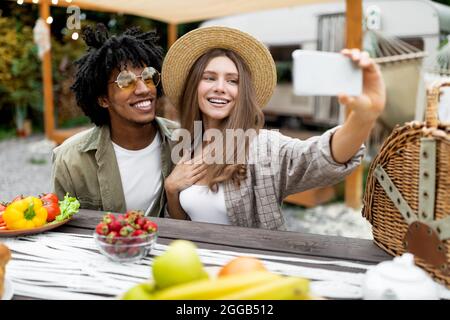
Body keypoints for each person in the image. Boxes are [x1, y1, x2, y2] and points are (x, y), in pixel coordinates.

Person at [161, 26, 386, 230]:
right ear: (195, 87)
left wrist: (363, 117)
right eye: (209, 78)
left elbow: (318, 157)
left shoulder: (262, 146)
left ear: (243, 93)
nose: (220, 88)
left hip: (250, 271)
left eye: (233, 81)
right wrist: (171, 190)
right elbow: (185, 229)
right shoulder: (187, 145)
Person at [51, 24, 178, 216]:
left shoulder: (183, 141)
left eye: (148, 76)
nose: (144, 89)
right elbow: (59, 225)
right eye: (126, 81)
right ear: (103, 99)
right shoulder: (71, 159)